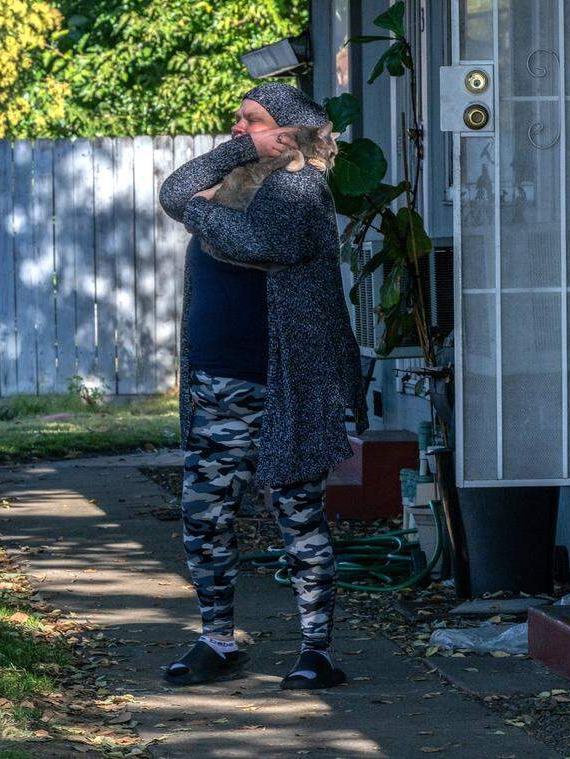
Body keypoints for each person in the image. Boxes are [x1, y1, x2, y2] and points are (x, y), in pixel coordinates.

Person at [157, 82, 369, 690]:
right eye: (236, 119)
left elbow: (261, 244)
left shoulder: (300, 187)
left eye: (251, 120)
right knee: (205, 514)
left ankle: (315, 651)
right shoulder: (237, 185)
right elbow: (172, 190)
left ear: (291, 131)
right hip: (216, 383)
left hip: (284, 383)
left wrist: (198, 208)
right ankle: (217, 640)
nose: (236, 129)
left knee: (299, 516)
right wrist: (239, 153)